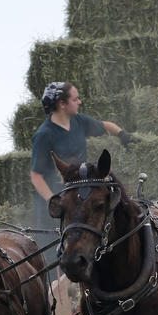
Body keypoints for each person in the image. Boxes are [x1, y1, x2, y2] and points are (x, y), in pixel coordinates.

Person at [29, 82, 133, 229]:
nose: (79, 102)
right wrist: (54, 200)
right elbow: (36, 176)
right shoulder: (44, 135)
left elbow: (105, 126)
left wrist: (123, 135)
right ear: (62, 103)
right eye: (75, 99)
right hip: (57, 208)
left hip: (79, 198)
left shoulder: (79, 121)